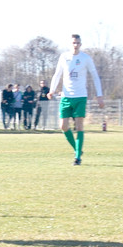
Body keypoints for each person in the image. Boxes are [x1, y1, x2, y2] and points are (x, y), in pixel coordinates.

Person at [48, 33, 105, 165]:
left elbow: (95, 76)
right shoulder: (64, 57)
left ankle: (77, 157)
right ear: (70, 44)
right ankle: (77, 149)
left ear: (81, 44)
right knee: (63, 126)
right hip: (66, 96)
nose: (75, 45)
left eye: (78, 43)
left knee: (79, 126)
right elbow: (57, 74)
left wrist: (99, 95)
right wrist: (52, 90)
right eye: (73, 43)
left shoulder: (85, 58)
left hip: (80, 96)